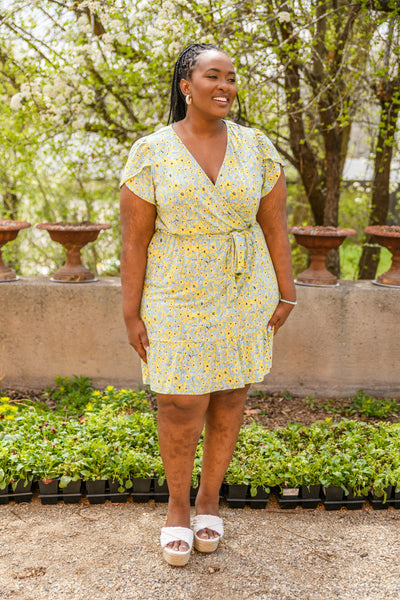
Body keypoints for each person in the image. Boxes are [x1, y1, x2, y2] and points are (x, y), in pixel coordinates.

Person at [119, 43, 296, 566]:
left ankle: (209, 500)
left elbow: (274, 225)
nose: (225, 86)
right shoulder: (151, 152)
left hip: (244, 289)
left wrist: (287, 290)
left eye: (231, 78)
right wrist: (130, 312)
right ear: (186, 86)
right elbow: (133, 241)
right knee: (179, 400)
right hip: (175, 292)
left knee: (231, 394)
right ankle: (177, 506)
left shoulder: (256, 146)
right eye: (213, 76)